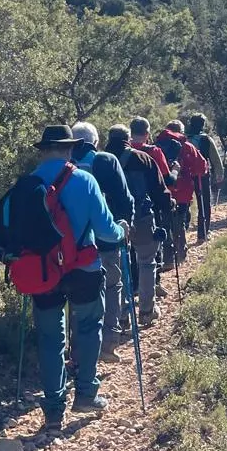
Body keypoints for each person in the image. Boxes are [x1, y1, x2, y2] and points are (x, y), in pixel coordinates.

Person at [0, 124, 125, 432]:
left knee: (51, 338)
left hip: (42, 272)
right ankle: (86, 392)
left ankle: (52, 409)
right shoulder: (84, 180)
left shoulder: (26, 184)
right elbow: (105, 230)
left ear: (44, 150)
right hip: (83, 269)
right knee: (88, 326)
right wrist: (122, 230)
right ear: (70, 148)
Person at [71, 122, 135, 361]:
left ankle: (78, 348)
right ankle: (108, 345)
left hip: (74, 244)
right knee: (112, 286)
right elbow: (125, 198)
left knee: (78, 294)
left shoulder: (65, 164)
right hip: (108, 238)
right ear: (95, 142)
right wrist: (124, 226)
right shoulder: (107, 161)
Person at [107, 123, 171, 322]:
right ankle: (146, 311)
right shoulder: (143, 158)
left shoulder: (101, 160)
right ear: (128, 138)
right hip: (142, 218)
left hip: (112, 221)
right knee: (146, 262)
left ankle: (123, 314)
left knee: (117, 267)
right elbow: (160, 190)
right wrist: (167, 207)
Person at [129, 116, 176, 289]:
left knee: (132, 246)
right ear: (147, 133)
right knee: (152, 242)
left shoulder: (122, 152)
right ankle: (154, 284)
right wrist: (176, 171)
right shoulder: (154, 152)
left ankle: (135, 283)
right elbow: (167, 180)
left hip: (128, 205)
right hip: (152, 204)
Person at [155, 121, 209, 261]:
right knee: (181, 218)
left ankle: (167, 258)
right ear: (181, 131)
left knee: (165, 221)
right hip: (183, 191)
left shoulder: (156, 146)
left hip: (163, 191)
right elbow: (201, 168)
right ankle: (180, 253)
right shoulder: (187, 146)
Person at [186, 112, 225, 243]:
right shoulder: (206, 139)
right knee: (204, 203)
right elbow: (215, 159)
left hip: (185, 176)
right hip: (201, 175)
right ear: (202, 124)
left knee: (185, 203)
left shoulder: (184, 139)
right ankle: (202, 234)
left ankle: (182, 232)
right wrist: (219, 175)